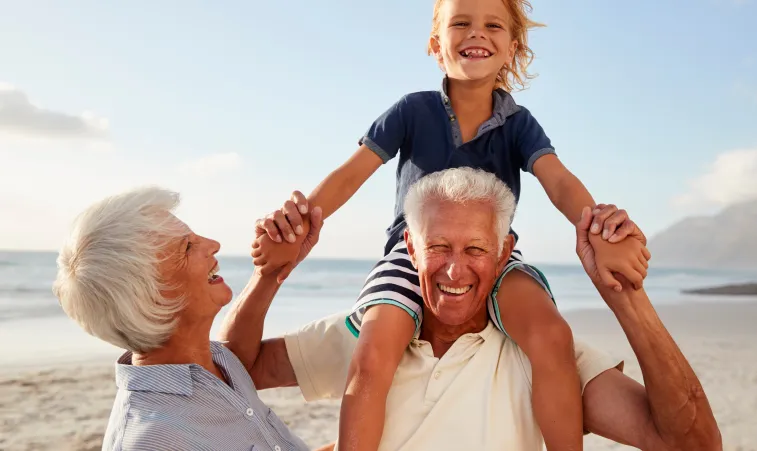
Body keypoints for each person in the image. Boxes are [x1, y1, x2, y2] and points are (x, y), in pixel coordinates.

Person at [252, 0, 648, 449]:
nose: (477, 33)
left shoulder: (520, 125)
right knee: (375, 346)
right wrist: (297, 223)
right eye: (461, 23)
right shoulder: (411, 110)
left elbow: (558, 182)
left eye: (492, 25)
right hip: (415, 251)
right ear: (436, 45)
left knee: (553, 334)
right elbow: (350, 174)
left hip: (490, 252)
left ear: (511, 48)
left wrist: (601, 228)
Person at [241, 168, 721, 450]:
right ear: (409, 247)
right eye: (439, 248)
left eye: (475, 250)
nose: (454, 271)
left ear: (504, 249)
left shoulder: (545, 356)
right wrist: (268, 276)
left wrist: (625, 296)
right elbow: (224, 370)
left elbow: (693, 443)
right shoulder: (363, 336)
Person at [52, 186, 326, 451]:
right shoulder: (152, 440)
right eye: (187, 247)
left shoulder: (220, 362)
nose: (213, 245)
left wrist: (271, 271)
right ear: (153, 297)